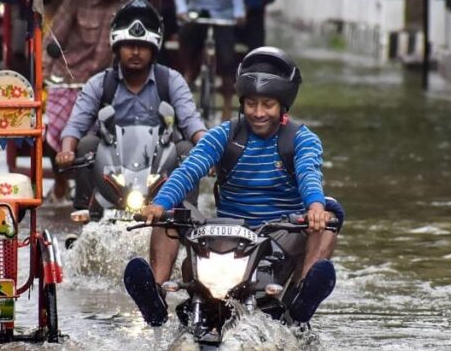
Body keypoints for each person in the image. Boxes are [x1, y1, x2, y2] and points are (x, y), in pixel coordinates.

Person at [124, 46, 342, 327]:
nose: (258, 113)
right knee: (174, 211)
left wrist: (315, 208)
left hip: (281, 234)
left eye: (268, 104)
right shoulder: (223, 135)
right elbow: (189, 170)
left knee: (331, 214)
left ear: (283, 105)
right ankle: (155, 294)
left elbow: (308, 174)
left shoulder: (303, 139)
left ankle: (301, 297)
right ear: (242, 102)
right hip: (227, 234)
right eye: (251, 104)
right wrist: (159, 205)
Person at [55, 0, 206, 211]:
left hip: (160, 167)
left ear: (154, 49)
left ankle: (186, 220)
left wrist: (209, 151)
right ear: (117, 47)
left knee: (187, 149)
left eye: (143, 46)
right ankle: (84, 216)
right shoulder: (100, 83)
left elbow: (192, 122)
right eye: (129, 46)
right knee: (87, 144)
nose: (135, 52)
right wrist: (66, 151)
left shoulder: (171, 80)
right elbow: (75, 125)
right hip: (112, 169)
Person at [174, 0, 246, 115]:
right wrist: (181, 10)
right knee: (187, 45)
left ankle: (228, 104)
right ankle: (188, 80)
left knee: (227, 57)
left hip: (222, 13)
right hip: (195, 12)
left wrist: (239, 12)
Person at [47, 0, 133, 84]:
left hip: (105, 83)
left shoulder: (130, 5)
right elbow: (53, 40)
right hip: (68, 79)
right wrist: (42, 77)